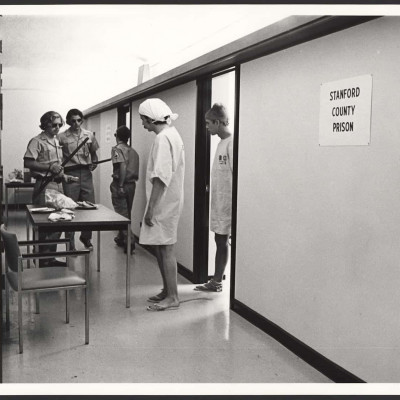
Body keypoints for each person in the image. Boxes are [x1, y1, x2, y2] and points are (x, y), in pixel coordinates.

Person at [138, 98, 185, 312]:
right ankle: (167, 290)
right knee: (161, 245)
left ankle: (173, 296)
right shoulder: (172, 134)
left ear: (150, 119)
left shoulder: (163, 138)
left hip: (163, 202)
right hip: (168, 200)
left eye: (143, 120)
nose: (142, 124)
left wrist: (150, 209)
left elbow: (161, 178)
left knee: (166, 248)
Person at [24, 111, 77, 267]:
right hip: (44, 186)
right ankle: (43, 259)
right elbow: (28, 162)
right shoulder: (36, 141)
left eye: (60, 125)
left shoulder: (56, 140)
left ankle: (50, 257)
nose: (57, 127)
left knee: (58, 222)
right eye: (54, 124)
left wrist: (64, 176)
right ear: (45, 124)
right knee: (45, 223)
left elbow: (57, 166)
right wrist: (49, 167)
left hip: (57, 185)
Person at [195, 103, 233, 292]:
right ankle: (216, 281)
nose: (207, 127)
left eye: (208, 123)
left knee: (222, 241)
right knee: (219, 240)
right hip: (219, 202)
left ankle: (217, 282)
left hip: (228, 204)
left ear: (218, 122)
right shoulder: (221, 143)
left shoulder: (232, 143)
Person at [59, 108, 99, 251]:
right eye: (73, 121)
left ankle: (86, 237)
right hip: (70, 174)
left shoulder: (89, 135)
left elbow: (94, 154)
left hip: (86, 173)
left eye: (79, 120)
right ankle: (70, 243)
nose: (76, 124)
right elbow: (58, 157)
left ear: (82, 120)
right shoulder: (61, 137)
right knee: (70, 208)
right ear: (68, 121)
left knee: (89, 206)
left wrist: (94, 163)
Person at [110, 125, 139, 254]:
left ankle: (129, 241)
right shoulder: (133, 152)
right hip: (132, 185)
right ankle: (121, 237)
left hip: (120, 184)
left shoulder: (117, 149)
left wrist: (120, 185)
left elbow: (122, 166)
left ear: (117, 136)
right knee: (127, 213)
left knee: (121, 215)